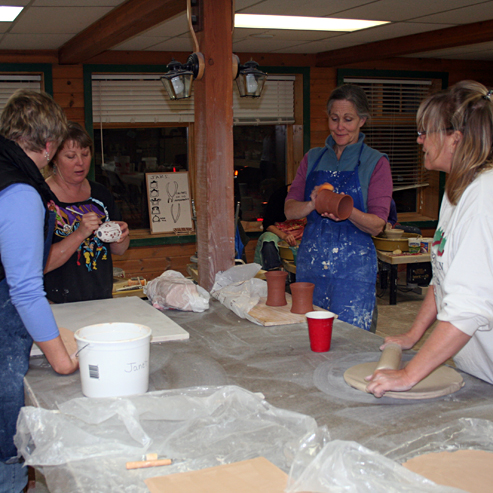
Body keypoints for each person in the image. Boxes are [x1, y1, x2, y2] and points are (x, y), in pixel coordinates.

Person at [367, 80, 493, 397]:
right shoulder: (456, 191)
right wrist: (413, 335)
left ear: (455, 139)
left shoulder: (484, 197)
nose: (419, 139)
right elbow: (442, 278)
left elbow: (467, 308)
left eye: (426, 132)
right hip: (477, 374)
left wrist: (407, 375)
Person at [0, 90, 79, 493]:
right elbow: (25, 288)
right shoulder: (18, 190)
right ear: (48, 146)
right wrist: (62, 361)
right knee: (6, 447)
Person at [285, 84, 393, 331]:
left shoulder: (375, 162)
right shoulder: (312, 158)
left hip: (353, 273)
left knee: (350, 341)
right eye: (334, 119)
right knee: (310, 338)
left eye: (348, 119)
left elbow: (377, 225)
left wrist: (344, 208)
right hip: (312, 267)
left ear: (362, 120)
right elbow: (289, 210)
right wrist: (313, 204)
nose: (340, 127)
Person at [43, 122, 130, 303]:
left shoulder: (100, 194)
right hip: (56, 304)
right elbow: (38, 265)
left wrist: (120, 236)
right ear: (54, 158)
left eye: (85, 154)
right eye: (70, 156)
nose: (80, 162)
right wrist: (79, 234)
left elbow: (120, 250)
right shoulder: (41, 197)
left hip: (100, 300)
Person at [254, 184, 306, 270]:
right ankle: (274, 272)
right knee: (268, 242)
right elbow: (267, 224)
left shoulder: (311, 197)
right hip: (279, 233)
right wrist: (284, 236)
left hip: (301, 233)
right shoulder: (279, 195)